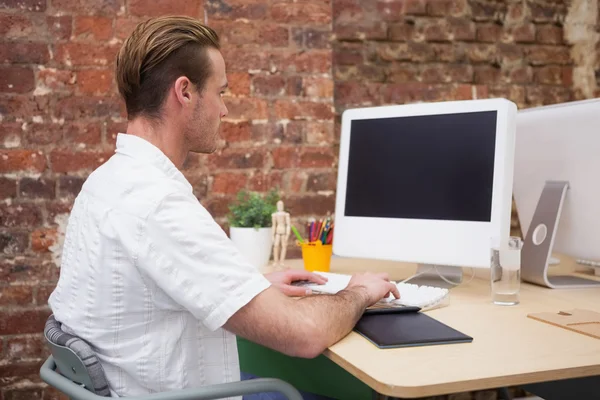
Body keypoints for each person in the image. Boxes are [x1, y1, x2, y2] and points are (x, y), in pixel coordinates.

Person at [48, 15, 400, 399]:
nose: (224, 110)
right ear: (184, 92)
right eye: (221, 92)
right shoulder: (158, 204)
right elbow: (305, 335)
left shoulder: (106, 183)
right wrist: (361, 291)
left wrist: (249, 289)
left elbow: (149, 288)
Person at [271, 200, 291, 267]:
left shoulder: (286, 214)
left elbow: (288, 225)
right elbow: (273, 225)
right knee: (276, 245)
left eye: (281, 205)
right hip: (277, 231)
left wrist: (287, 234)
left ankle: (282, 261)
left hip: (283, 231)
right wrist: (272, 235)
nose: (280, 206)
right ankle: (275, 261)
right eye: (279, 205)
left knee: (284, 246)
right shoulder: (274, 215)